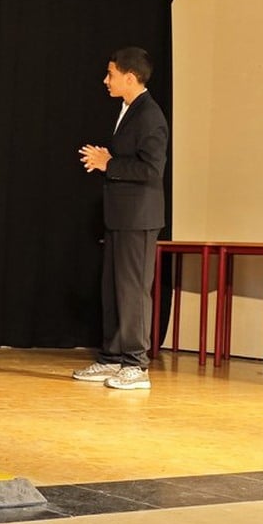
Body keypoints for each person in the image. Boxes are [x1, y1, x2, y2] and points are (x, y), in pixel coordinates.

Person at [75, 46, 169, 390]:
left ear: (130, 78)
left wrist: (110, 164)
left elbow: (152, 169)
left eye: (111, 74)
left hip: (139, 218)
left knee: (132, 292)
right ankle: (112, 358)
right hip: (120, 216)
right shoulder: (129, 110)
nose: (106, 80)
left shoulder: (150, 115)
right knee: (113, 290)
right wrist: (109, 159)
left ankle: (136, 365)